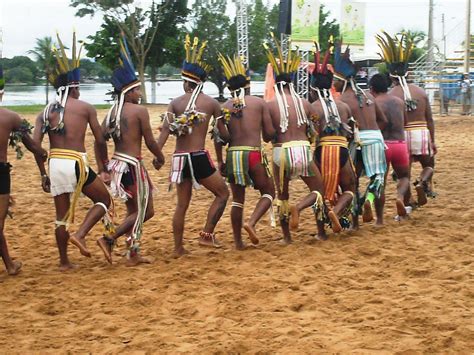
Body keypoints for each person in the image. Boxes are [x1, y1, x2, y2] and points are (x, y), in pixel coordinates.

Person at [33, 32, 113, 270]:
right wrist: (104, 167)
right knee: (105, 199)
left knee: (61, 215)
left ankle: (64, 262)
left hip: (55, 163)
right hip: (76, 162)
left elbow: (37, 148)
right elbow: (100, 140)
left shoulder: (44, 113)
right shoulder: (85, 107)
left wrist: (42, 174)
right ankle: (80, 234)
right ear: (75, 87)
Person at [157, 35, 229, 257]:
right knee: (223, 193)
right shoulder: (212, 103)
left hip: (179, 159)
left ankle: (178, 248)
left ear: (186, 82)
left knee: (182, 205)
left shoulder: (175, 102)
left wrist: (158, 154)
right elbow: (223, 136)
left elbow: (165, 131)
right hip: (198, 157)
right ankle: (207, 235)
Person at [96, 36, 165, 266]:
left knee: (133, 210)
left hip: (117, 165)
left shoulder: (112, 112)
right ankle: (110, 239)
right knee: (146, 210)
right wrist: (160, 155)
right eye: (137, 90)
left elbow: (100, 139)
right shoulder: (139, 111)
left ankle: (132, 252)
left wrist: (103, 166)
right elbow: (149, 141)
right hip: (132, 166)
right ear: (130, 92)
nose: (140, 94)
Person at [263, 34, 326, 242]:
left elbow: (268, 135)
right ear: (291, 81)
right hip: (302, 149)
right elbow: (314, 130)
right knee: (318, 190)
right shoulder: (305, 103)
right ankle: (320, 231)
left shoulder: (270, 105)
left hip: (281, 150)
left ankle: (287, 237)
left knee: (282, 196)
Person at [215, 53, 276, 250]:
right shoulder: (258, 103)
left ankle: (238, 243)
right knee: (268, 192)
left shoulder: (224, 107)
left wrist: (220, 161)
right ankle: (251, 222)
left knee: (238, 200)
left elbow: (219, 138)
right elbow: (268, 134)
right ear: (247, 86)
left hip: (233, 154)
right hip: (253, 153)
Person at [377, 31, 437, 206]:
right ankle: (424, 181)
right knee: (429, 165)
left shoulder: (390, 94)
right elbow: (430, 120)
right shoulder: (421, 92)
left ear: (390, 75)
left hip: (402, 135)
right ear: (408, 72)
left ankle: (408, 202)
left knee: (404, 173)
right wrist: (432, 140)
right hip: (422, 131)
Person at [333, 41, 387, 227]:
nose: (334, 83)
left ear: (343, 80)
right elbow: (383, 120)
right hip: (376, 138)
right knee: (377, 178)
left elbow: (342, 127)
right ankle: (372, 206)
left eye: (335, 80)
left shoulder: (342, 100)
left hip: (357, 142)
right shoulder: (368, 95)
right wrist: (373, 132)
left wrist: (356, 135)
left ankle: (355, 223)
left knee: (352, 183)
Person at [310, 42, 356, 232]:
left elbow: (310, 134)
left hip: (322, 151)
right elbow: (352, 132)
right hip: (342, 149)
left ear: (313, 87)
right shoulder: (343, 106)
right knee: (350, 188)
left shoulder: (313, 107)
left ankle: (321, 232)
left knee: (319, 192)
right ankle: (336, 211)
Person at [0, 108, 47, 275]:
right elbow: (32, 145)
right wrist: (43, 153)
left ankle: (10, 266)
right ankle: (10, 266)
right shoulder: (10, 117)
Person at [369, 74, 411, 220]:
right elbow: (405, 123)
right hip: (400, 144)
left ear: (372, 88)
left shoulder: (374, 102)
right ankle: (399, 197)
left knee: (380, 182)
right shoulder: (399, 102)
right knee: (404, 177)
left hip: (382, 145)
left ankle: (380, 220)